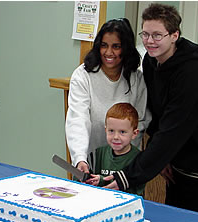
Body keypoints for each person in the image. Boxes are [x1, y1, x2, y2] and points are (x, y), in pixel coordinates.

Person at [104, 3, 198, 216]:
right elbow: (157, 112)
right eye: (145, 34)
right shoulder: (151, 62)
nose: (149, 41)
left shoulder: (193, 73)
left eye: (157, 35)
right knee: (173, 212)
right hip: (178, 153)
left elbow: (174, 130)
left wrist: (127, 177)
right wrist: (161, 157)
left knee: (191, 218)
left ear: (174, 35)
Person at [65, 18, 151, 174]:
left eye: (116, 46)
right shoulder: (82, 76)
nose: (109, 52)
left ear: (125, 48)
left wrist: (126, 163)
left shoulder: (137, 79)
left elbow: (139, 123)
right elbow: (77, 119)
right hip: (89, 160)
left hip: (124, 165)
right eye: (104, 45)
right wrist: (80, 158)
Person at [85, 103, 145, 195]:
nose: (116, 137)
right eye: (111, 131)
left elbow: (134, 191)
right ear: (105, 130)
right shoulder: (98, 154)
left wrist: (102, 181)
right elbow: (83, 179)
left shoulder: (139, 159)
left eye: (122, 132)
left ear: (134, 133)